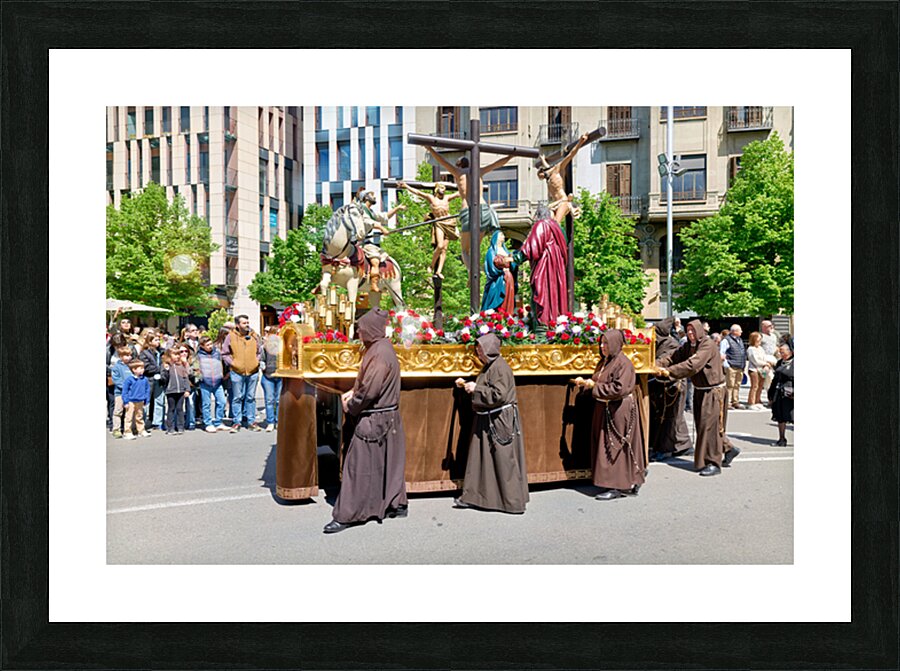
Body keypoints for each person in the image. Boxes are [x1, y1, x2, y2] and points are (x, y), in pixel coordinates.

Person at [325, 308, 407, 533]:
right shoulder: (381, 348)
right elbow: (370, 384)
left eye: (360, 330)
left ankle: (349, 514)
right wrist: (354, 391)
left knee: (358, 466)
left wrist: (351, 404)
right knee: (389, 462)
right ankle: (396, 503)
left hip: (375, 418)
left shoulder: (379, 353)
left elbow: (370, 391)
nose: (359, 334)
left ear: (371, 329)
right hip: (387, 417)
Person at [453, 333, 528, 513]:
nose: (478, 352)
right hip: (491, 418)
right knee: (484, 459)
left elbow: (498, 395)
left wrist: (475, 389)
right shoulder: (491, 366)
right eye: (477, 348)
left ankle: (512, 502)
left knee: (503, 460)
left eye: (481, 348)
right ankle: (479, 497)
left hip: (499, 420)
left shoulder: (500, 367)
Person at [656, 319, 741, 477]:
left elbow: (692, 364)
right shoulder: (688, 346)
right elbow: (673, 356)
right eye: (688, 330)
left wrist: (669, 371)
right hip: (701, 390)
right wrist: (657, 364)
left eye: (693, 330)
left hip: (713, 391)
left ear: (700, 331)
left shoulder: (707, 345)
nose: (690, 333)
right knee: (705, 425)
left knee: (708, 426)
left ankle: (712, 463)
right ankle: (728, 448)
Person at [575, 329, 645, 500]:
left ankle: (615, 486)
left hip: (618, 409)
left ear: (614, 343)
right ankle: (631, 478)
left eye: (606, 343)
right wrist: (586, 384)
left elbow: (619, 389)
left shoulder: (623, 363)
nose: (602, 346)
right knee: (611, 445)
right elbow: (600, 380)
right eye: (601, 343)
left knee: (614, 446)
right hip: (606, 408)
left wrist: (593, 387)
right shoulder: (606, 361)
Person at [423, 148, 511, 275]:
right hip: (484, 210)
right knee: (475, 249)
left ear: (458, 165)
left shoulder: (458, 172)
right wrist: (510, 156)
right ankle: (478, 269)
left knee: (465, 250)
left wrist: (429, 148)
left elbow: (442, 160)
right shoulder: (479, 171)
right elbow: (498, 163)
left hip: (468, 211)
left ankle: (471, 271)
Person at [515, 203, 568, 327]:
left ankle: (542, 330)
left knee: (542, 296)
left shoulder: (541, 225)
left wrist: (515, 258)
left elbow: (532, 247)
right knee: (555, 296)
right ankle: (556, 326)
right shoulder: (559, 229)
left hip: (544, 267)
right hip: (557, 268)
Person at [647, 317, 692, 460]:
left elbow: (667, 360)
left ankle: (665, 449)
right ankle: (684, 445)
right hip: (664, 383)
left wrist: (653, 366)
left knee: (669, 418)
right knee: (676, 417)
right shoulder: (660, 343)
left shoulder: (670, 345)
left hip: (674, 383)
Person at [397, 181, 461, 279]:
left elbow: (459, 193)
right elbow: (418, 192)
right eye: (441, 188)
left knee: (444, 249)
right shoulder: (431, 198)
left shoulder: (447, 198)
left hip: (448, 223)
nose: (443, 191)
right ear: (436, 189)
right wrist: (406, 186)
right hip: (439, 222)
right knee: (439, 246)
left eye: (444, 189)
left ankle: (439, 271)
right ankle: (431, 265)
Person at [221, 315, 263, 432]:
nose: (247, 324)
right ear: (238, 325)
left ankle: (251, 422)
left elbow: (260, 351)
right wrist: (233, 363)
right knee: (237, 397)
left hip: (253, 371)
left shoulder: (254, 336)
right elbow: (224, 353)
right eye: (244, 323)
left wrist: (256, 361)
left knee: (250, 397)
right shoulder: (231, 336)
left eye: (247, 322)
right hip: (237, 371)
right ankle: (236, 422)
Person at [357, 191, 406, 292]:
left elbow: (384, 217)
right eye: (372, 195)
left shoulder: (370, 212)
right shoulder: (360, 209)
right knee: (375, 260)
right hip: (358, 241)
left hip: (364, 241)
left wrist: (397, 208)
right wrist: (381, 228)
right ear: (366, 198)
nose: (374, 196)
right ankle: (374, 284)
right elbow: (367, 222)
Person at [537, 132, 590, 224]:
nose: (540, 176)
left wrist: (580, 142)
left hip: (563, 201)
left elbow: (570, 155)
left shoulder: (557, 169)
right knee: (548, 222)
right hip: (554, 204)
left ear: (544, 171)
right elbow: (547, 166)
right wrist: (542, 159)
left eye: (540, 174)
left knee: (556, 223)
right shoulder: (548, 178)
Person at [193, 335, 228, 433]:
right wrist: (200, 378)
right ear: (202, 346)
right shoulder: (198, 355)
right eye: (207, 345)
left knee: (222, 402)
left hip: (218, 381)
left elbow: (224, 364)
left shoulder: (217, 353)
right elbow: (195, 368)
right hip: (205, 383)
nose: (210, 346)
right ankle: (208, 423)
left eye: (210, 343)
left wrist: (224, 375)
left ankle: (218, 422)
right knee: (206, 404)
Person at [481, 229, 517, 314]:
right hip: (498, 279)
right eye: (501, 235)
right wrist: (502, 264)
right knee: (496, 295)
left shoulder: (506, 251)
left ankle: (506, 316)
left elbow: (513, 264)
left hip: (509, 277)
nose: (503, 237)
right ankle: (495, 315)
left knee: (508, 296)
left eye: (503, 235)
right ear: (496, 237)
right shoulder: (492, 251)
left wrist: (513, 262)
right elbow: (491, 265)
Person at [160, 346, 193, 435]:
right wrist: (166, 370)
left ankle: (180, 426)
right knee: (171, 409)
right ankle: (170, 427)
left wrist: (187, 389)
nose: (177, 356)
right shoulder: (165, 366)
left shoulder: (181, 365)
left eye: (178, 354)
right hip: (171, 390)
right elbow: (163, 379)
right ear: (169, 356)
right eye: (175, 354)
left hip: (181, 390)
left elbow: (185, 377)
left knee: (180, 409)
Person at [138, 329, 166, 430]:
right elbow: (146, 367)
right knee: (146, 401)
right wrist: (159, 368)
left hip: (160, 380)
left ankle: (157, 422)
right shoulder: (144, 353)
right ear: (150, 342)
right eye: (155, 340)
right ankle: (143, 422)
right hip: (149, 379)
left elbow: (166, 362)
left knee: (159, 401)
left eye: (159, 340)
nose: (158, 342)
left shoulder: (162, 352)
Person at [768, 340, 794, 446]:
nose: (781, 354)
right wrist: (770, 394)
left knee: (793, 416)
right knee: (780, 416)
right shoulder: (779, 362)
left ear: (790, 352)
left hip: (792, 393)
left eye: (783, 352)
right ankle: (782, 438)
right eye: (780, 352)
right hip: (779, 392)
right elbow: (775, 378)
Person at [121, 360, 151, 440]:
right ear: (134, 370)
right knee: (129, 417)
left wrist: (146, 399)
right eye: (140, 368)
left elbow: (147, 390)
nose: (142, 370)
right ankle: (127, 432)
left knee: (139, 416)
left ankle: (141, 430)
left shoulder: (145, 379)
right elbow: (125, 391)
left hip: (140, 400)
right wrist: (125, 401)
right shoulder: (129, 379)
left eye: (143, 368)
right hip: (131, 401)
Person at [260, 325, 282, 432]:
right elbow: (262, 359)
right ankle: (270, 422)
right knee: (269, 400)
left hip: (280, 376)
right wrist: (263, 367)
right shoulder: (265, 346)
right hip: (268, 376)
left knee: (278, 400)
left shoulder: (284, 346)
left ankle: (278, 421)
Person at [108, 347, 134, 438]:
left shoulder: (131, 366)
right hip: (120, 393)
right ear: (120, 356)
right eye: (126, 355)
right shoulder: (116, 367)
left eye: (130, 355)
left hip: (131, 393)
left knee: (129, 412)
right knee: (118, 411)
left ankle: (128, 428)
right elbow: (116, 380)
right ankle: (116, 429)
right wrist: (126, 387)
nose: (129, 357)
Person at [720, 324, 747, 409]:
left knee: (737, 385)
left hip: (740, 366)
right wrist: (726, 365)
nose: (741, 332)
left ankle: (735, 401)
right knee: (730, 385)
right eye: (740, 330)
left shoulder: (740, 340)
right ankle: (727, 403)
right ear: (734, 331)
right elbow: (722, 353)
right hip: (731, 366)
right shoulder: (726, 340)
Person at [746, 331, 770, 410]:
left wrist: (766, 363)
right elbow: (755, 360)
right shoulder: (751, 349)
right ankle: (751, 403)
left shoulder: (761, 348)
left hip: (762, 369)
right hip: (754, 369)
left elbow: (764, 357)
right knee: (754, 386)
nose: (760, 341)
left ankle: (757, 401)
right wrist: (765, 364)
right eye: (758, 339)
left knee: (760, 386)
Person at [759, 319, 781, 402]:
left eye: (771, 325)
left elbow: (776, 347)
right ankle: (759, 399)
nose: (771, 327)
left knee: (773, 380)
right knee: (765, 379)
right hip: (764, 360)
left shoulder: (774, 336)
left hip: (773, 359)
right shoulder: (760, 336)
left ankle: (771, 399)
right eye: (769, 326)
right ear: (763, 327)